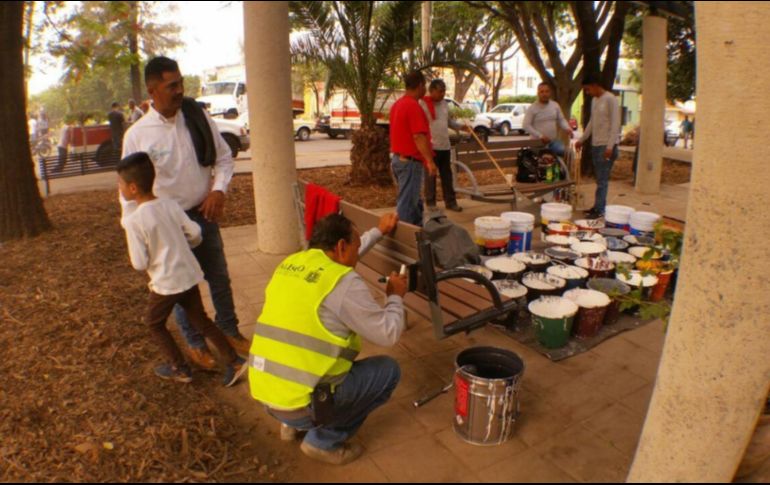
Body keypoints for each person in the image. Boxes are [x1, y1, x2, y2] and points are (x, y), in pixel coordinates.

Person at [122, 56, 252, 370]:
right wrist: (134, 230)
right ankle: (196, 345)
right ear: (153, 91)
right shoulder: (138, 135)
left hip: (204, 214)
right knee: (179, 289)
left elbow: (224, 158)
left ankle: (230, 330)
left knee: (218, 277)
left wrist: (218, 190)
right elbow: (128, 190)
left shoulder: (196, 116)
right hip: (168, 225)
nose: (180, 90)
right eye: (172, 86)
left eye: (180, 83)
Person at [249, 213, 406, 466]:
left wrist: (378, 232)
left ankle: (290, 425)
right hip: (302, 405)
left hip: (266, 392)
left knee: (298, 357)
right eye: (355, 246)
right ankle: (322, 441)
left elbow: (347, 256)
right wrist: (395, 296)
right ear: (341, 246)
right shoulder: (344, 282)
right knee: (388, 371)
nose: (356, 255)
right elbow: (388, 333)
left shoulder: (292, 263)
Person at [117, 152, 247, 386]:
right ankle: (234, 361)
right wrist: (185, 245)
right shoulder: (169, 205)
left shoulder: (134, 221)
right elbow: (195, 232)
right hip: (188, 274)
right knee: (201, 320)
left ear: (133, 188)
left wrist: (153, 258)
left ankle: (179, 367)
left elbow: (139, 262)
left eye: (121, 185)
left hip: (167, 283)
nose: (120, 189)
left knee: (153, 323)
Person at [389, 71, 437, 226]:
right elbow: (418, 136)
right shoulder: (413, 106)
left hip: (398, 159)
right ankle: (405, 235)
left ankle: (417, 231)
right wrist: (429, 161)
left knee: (414, 201)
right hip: (410, 162)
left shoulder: (397, 104)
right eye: (425, 86)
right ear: (420, 85)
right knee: (408, 205)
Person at [575, 74, 621, 218]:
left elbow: (615, 123)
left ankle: (600, 209)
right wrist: (582, 139)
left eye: (588, 89)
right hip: (595, 144)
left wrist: (610, 146)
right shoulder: (595, 100)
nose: (588, 92)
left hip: (606, 145)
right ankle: (597, 206)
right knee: (599, 179)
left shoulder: (610, 99)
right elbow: (591, 122)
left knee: (602, 180)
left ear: (595, 85)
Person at [419, 79, 466, 212]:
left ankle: (450, 202)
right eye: (440, 91)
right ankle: (431, 203)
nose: (442, 94)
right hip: (431, 147)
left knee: (447, 176)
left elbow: (449, 122)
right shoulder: (423, 104)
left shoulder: (445, 104)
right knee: (430, 177)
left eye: (444, 91)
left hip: (445, 146)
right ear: (431, 91)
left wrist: (461, 127)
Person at [523, 82, 574, 156]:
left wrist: (567, 128)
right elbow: (526, 125)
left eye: (547, 91)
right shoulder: (532, 108)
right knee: (542, 160)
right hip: (537, 143)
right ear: (538, 93)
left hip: (553, 142)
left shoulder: (555, 105)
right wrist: (540, 136)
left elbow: (561, 119)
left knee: (565, 152)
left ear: (550, 93)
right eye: (542, 92)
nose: (544, 94)